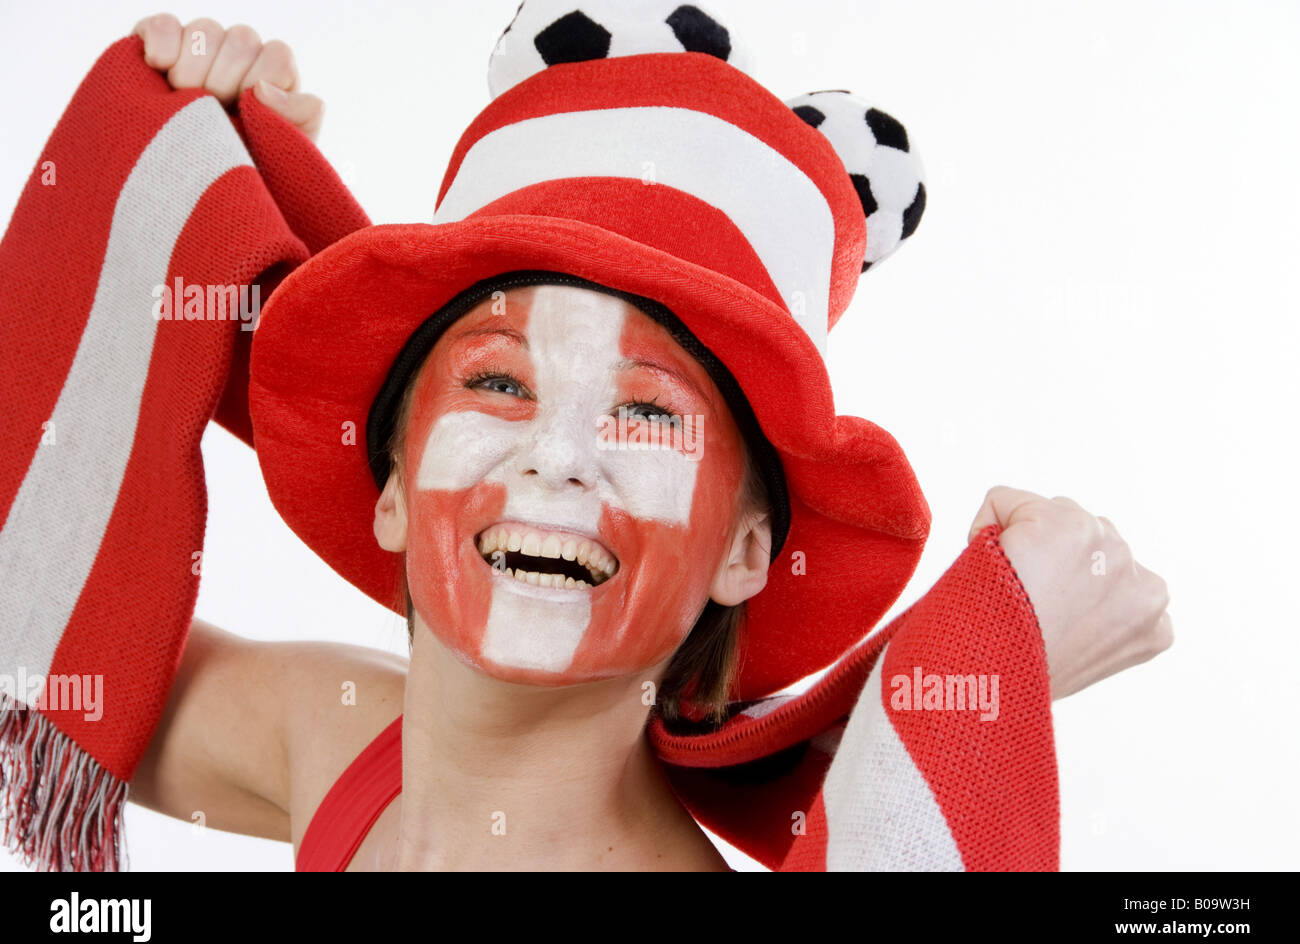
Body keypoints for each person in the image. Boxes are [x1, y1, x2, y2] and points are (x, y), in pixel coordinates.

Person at [122, 11, 1173, 873]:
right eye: (496, 381)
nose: (555, 456)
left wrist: (998, 655)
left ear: (744, 551)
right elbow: (38, 642)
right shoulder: (327, 733)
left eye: (643, 412)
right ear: (391, 481)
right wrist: (159, 190)